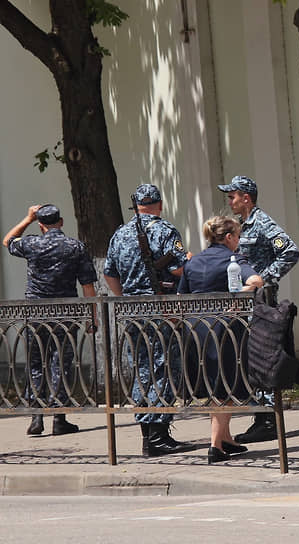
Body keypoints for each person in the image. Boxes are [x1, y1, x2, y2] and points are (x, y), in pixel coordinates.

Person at [103, 184, 195, 456]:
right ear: (160, 204)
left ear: (136, 207)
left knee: (142, 368)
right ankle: (158, 434)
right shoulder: (165, 230)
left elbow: (109, 273)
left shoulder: (120, 233)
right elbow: (178, 268)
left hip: (133, 311)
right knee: (164, 367)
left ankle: (149, 434)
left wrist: (125, 297)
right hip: (160, 308)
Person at [217, 175, 299, 443]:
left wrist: (264, 277)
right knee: (250, 358)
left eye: (233, 196)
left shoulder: (262, 222)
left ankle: (266, 420)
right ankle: (262, 415)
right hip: (244, 302)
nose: (230, 201)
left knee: (262, 357)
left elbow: (290, 251)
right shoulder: (240, 225)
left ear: (246, 198)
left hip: (261, 302)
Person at [3, 204, 97, 436]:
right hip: (65, 315)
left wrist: (27, 218)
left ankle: (36, 417)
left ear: (40, 224)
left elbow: (8, 241)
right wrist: (92, 316)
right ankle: (59, 418)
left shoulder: (32, 243)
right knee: (60, 364)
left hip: (35, 314)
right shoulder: (75, 247)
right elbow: (87, 285)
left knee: (36, 363)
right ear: (61, 222)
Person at [177, 216, 264, 463]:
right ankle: (215, 445)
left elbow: (182, 294)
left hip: (194, 330)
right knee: (224, 386)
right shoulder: (233, 259)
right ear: (228, 238)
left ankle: (226, 438)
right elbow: (255, 281)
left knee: (213, 383)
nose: (238, 241)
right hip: (224, 330)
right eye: (237, 236)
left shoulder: (194, 261)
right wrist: (238, 297)